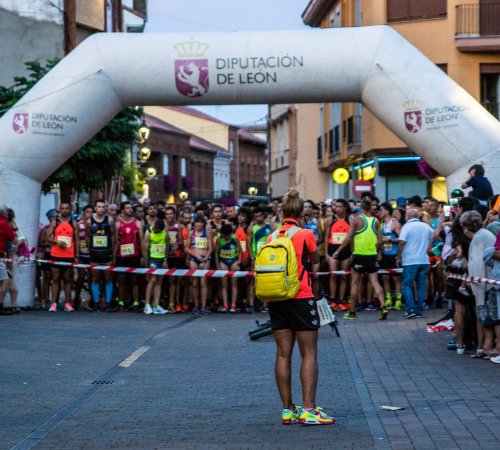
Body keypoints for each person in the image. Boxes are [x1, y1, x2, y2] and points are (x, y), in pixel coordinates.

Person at [267, 189, 335, 426]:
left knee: (283, 354)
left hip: (276, 298)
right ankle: (308, 409)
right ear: (301, 212)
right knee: (309, 353)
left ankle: (287, 410)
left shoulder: (272, 235)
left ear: (283, 211)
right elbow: (316, 260)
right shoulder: (305, 233)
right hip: (300, 296)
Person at [333, 198, 388, 321]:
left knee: (355, 283)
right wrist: (378, 251)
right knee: (375, 282)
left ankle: (352, 312)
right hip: (372, 255)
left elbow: (348, 239)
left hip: (359, 255)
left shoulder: (356, 220)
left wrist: (338, 251)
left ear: (361, 208)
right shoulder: (376, 221)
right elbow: (380, 241)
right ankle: (383, 306)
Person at [461, 211, 500, 358]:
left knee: (493, 318)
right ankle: (487, 346)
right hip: (488, 282)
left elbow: (477, 264)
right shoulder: (483, 235)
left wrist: (472, 281)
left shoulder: (478, 238)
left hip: (487, 284)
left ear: (466, 227)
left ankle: (496, 347)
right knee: (487, 318)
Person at [396, 209, 433, 319]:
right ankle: (419, 310)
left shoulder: (407, 227)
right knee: (421, 286)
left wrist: (398, 256)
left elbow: (402, 242)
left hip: (410, 261)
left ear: (407, 216)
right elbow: (435, 235)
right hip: (424, 260)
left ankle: (410, 309)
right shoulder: (424, 226)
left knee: (407, 284)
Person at [45, 202, 80, 312]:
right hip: (56, 254)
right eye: (63, 208)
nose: (65, 210)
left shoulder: (74, 223)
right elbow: (47, 238)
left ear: (70, 210)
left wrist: (77, 255)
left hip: (69, 255)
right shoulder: (55, 222)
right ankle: (54, 303)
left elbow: (77, 240)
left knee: (67, 279)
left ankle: (68, 303)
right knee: (55, 279)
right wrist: (57, 242)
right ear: (59, 210)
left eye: (66, 208)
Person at [86, 199, 116, 312]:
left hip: (106, 252)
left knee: (108, 277)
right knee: (95, 278)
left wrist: (113, 252)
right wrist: (90, 250)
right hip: (95, 253)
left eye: (103, 207)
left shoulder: (110, 220)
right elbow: (88, 236)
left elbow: (113, 236)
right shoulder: (89, 221)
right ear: (95, 208)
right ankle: (96, 302)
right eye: (99, 206)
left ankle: (107, 303)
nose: (101, 209)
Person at [115, 201, 144, 312]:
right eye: (127, 208)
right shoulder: (118, 224)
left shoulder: (138, 223)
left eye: (131, 208)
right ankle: (121, 302)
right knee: (121, 279)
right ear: (122, 210)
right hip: (121, 256)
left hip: (134, 255)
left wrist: (142, 256)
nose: (130, 210)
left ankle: (136, 302)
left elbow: (141, 242)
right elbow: (115, 242)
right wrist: (114, 257)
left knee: (134, 279)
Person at [324, 199, 351, 308]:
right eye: (336, 206)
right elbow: (326, 236)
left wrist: (352, 253)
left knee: (343, 277)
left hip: (345, 251)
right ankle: (333, 299)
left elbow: (351, 238)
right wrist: (326, 253)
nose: (337, 209)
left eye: (340, 206)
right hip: (332, 249)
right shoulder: (330, 220)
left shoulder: (350, 220)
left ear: (345, 208)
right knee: (333, 275)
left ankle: (341, 300)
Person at [185, 213, 213, 315]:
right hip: (194, 258)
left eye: (201, 222)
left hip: (205, 258)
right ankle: (196, 304)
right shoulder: (191, 233)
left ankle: (204, 306)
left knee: (203, 283)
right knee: (195, 283)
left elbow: (211, 248)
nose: (199, 224)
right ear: (195, 223)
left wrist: (205, 259)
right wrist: (196, 256)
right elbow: (186, 248)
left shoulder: (208, 232)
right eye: (198, 222)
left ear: (204, 224)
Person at [247, 206, 272, 313]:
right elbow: (248, 244)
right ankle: (251, 304)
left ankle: (265, 304)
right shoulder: (251, 227)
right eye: (256, 216)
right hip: (256, 257)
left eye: (260, 216)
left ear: (263, 216)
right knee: (253, 281)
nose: (258, 218)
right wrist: (252, 257)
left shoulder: (269, 226)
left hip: (267, 257)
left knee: (266, 281)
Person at [379, 202, 403, 310]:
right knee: (384, 277)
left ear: (387, 211)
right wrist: (379, 252)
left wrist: (390, 239)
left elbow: (402, 239)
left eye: (381, 210)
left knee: (396, 279)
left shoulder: (395, 223)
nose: (379, 213)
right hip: (384, 254)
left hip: (394, 254)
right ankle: (388, 299)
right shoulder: (380, 224)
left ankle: (398, 300)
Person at [143, 218, 169, 315]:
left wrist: (165, 260)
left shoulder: (165, 233)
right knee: (152, 280)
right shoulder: (148, 232)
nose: (154, 230)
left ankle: (156, 305)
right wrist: (146, 267)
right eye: (154, 228)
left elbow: (167, 245)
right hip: (152, 259)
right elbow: (145, 250)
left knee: (159, 281)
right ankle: (147, 305)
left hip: (161, 259)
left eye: (156, 230)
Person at [215, 224, 243, 313]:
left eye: (228, 235)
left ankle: (233, 304)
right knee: (224, 284)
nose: (226, 237)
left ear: (231, 233)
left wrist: (239, 261)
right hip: (223, 261)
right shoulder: (219, 239)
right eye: (225, 235)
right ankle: (225, 304)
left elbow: (240, 250)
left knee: (234, 283)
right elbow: (216, 252)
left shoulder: (235, 238)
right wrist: (218, 265)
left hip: (233, 260)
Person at [74, 204, 93, 309]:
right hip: (81, 254)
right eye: (87, 212)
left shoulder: (95, 225)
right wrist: (77, 255)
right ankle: (77, 296)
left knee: (91, 278)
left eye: (91, 212)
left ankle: (91, 299)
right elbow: (76, 240)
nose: (89, 214)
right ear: (83, 213)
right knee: (80, 277)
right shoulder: (79, 225)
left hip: (91, 255)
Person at [303, 200, 323, 298]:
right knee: (303, 276)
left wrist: (313, 245)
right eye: (305, 206)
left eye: (309, 207)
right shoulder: (300, 221)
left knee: (316, 276)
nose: (307, 208)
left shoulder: (317, 222)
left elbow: (321, 237)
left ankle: (316, 297)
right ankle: (306, 297)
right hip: (303, 252)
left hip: (315, 251)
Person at [0, 204, 17, 315]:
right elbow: (14, 240)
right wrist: (14, 228)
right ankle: (0, 305)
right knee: (5, 281)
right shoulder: (4, 224)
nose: (8, 214)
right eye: (6, 212)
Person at [165, 206, 183, 312]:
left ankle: (172, 303)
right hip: (164, 256)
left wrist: (177, 244)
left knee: (173, 280)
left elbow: (181, 241)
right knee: (162, 280)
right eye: (167, 214)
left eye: (171, 214)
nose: (169, 216)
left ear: (174, 214)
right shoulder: (162, 224)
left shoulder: (178, 225)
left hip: (174, 256)